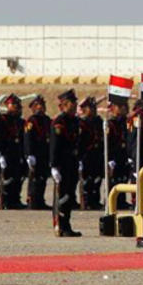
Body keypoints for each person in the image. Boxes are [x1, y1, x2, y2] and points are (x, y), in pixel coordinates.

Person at [50, 89, 81, 237]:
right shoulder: (59, 122)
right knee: (62, 195)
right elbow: (55, 145)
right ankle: (59, 224)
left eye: (75, 104)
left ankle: (66, 224)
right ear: (64, 105)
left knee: (70, 195)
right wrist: (54, 166)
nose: (74, 107)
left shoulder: (74, 121)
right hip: (61, 164)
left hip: (72, 162)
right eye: (71, 104)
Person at [24, 95, 51, 209]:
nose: (41, 108)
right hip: (35, 153)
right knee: (34, 179)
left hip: (44, 153)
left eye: (43, 106)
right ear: (34, 108)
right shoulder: (31, 121)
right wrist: (29, 154)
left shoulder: (47, 120)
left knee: (43, 178)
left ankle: (40, 200)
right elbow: (28, 138)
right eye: (39, 106)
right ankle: (33, 200)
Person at [0, 94, 27, 209]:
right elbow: (1, 137)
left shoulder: (20, 122)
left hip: (17, 152)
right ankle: (6, 201)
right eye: (15, 105)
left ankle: (15, 199)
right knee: (7, 178)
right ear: (8, 106)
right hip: (7, 151)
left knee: (18, 177)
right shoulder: (3, 120)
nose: (18, 108)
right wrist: (1, 154)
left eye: (18, 105)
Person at [77, 97, 104, 210]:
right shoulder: (81, 123)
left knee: (97, 179)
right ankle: (86, 201)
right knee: (87, 180)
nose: (93, 110)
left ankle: (95, 200)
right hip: (86, 155)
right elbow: (80, 141)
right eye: (90, 108)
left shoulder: (98, 121)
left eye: (94, 108)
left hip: (97, 154)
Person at [105, 100, 131, 209]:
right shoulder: (111, 124)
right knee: (114, 181)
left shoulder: (127, 122)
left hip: (123, 155)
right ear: (113, 108)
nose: (124, 108)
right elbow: (108, 142)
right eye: (121, 106)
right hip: (114, 156)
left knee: (123, 179)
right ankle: (112, 202)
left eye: (125, 106)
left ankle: (121, 201)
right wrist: (110, 159)